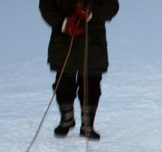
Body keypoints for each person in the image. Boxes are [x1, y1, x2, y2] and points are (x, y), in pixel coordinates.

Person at [39, 0, 120, 140]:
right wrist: (62, 24)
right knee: (63, 84)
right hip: (64, 40)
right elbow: (46, 5)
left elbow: (112, 5)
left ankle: (87, 125)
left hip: (92, 42)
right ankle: (67, 118)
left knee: (91, 84)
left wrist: (91, 15)